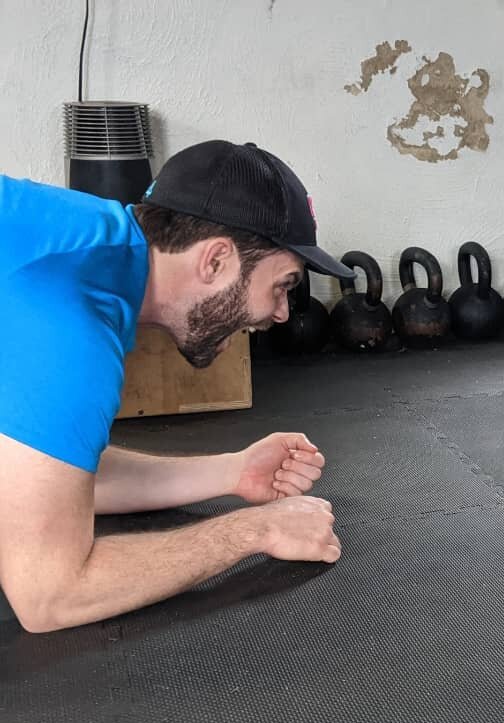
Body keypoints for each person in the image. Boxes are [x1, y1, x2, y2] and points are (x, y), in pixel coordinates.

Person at [0, 139, 357, 633]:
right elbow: (49, 594)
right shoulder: (71, 321)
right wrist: (256, 529)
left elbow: (52, 479)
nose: (280, 313)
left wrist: (233, 473)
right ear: (214, 261)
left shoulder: (91, 250)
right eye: (284, 285)